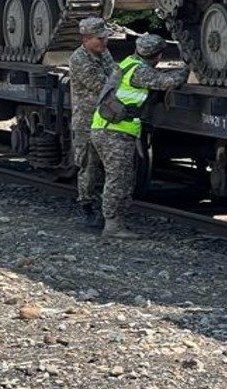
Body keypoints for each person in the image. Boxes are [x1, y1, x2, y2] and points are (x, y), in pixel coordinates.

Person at [89, 32, 189, 238]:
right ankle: (112, 226)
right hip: (114, 132)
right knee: (119, 179)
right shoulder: (139, 72)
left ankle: (112, 220)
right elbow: (168, 81)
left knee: (119, 178)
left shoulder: (129, 63)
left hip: (109, 129)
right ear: (158, 56)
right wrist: (188, 69)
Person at [67, 17, 119, 224]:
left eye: (105, 38)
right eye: (100, 39)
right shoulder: (79, 59)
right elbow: (103, 85)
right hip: (87, 120)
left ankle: (108, 207)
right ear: (86, 39)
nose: (104, 43)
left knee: (108, 165)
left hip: (105, 118)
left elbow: (114, 73)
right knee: (88, 165)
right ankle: (87, 206)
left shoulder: (103, 52)